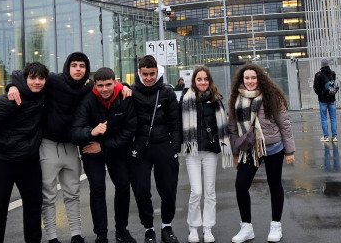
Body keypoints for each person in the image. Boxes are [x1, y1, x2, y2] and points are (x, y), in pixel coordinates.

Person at [7, 52, 94, 243]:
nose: (78, 69)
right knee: (48, 196)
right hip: (48, 145)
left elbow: (110, 85)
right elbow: (19, 74)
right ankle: (52, 237)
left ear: (86, 69)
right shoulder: (54, 80)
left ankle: (76, 234)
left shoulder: (89, 87)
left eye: (82, 65)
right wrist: (12, 86)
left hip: (71, 148)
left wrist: (125, 87)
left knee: (73, 193)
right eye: (74, 65)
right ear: (67, 66)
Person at [0, 62, 48, 243]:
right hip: (1, 161)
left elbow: (68, 82)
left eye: (41, 78)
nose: (37, 82)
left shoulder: (42, 95)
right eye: (32, 78)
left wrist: (120, 86)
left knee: (34, 207)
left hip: (29, 161)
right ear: (25, 78)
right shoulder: (8, 100)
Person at [69, 67, 138, 243]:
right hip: (91, 149)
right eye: (100, 85)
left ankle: (122, 230)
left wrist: (104, 146)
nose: (105, 89)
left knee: (123, 185)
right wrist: (91, 132)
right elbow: (75, 130)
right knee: (98, 188)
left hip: (116, 149)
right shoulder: (87, 100)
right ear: (95, 85)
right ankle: (101, 234)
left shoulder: (125, 97)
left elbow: (130, 130)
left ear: (115, 82)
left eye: (108, 84)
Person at [228, 63, 295, 243]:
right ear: (242, 80)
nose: (250, 81)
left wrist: (289, 150)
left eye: (253, 77)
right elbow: (233, 128)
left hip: (273, 147)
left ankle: (276, 226)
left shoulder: (272, 96)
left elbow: (285, 124)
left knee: (275, 185)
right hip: (249, 149)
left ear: (260, 78)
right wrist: (235, 153)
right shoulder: (237, 98)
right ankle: (246, 227)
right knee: (241, 185)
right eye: (247, 78)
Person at [130, 55, 182, 243]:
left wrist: (175, 148)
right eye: (145, 74)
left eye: (152, 74)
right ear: (139, 72)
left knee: (168, 189)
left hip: (163, 146)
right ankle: (149, 229)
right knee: (141, 189)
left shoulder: (167, 92)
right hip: (140, 147)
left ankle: (166, 226)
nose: (149, 78)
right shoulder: (131, 91)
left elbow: (176, 122)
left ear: (157, 71)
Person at [179, 66, 232, 243]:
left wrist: (222, 142)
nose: (202, 82)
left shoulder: (216, 100)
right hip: (192, 151)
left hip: (210, 151)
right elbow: (179, 124)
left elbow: (223, 125)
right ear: (194, 81)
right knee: (196, 191)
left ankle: (207, 227)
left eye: (205, 79)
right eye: (199, 79)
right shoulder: (186, 100)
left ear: (209, 81)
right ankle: (193, 227)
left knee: (210, 192)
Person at [312, 57, 338, 143]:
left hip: (322, 100)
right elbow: (333, 85)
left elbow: (316, 87)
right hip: (332, 99)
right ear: (328, 64)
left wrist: (320, 94)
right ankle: (334, 137)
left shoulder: (318, 75)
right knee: (333, 118)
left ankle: (326, 136)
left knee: (324, 118)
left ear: (321, 65)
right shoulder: (333, 73)